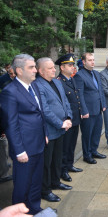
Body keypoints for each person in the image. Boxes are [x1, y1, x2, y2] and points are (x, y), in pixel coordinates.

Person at [0, 54, 47, 214]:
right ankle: (18, 213)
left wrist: (44, 134)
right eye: (31, 67)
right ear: (19, 70)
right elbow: (10, 124)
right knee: (22, 185)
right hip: (24, 149)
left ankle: (34, 208)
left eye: (35, 66)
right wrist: (19, 151)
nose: (35, 70)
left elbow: (40, 114)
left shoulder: (33, 86)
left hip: (38, 144)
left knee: (35, 182)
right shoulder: (10, 92)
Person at [35, 57, 73, 202]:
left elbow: (65, 102)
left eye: (53, 67)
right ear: (41, 71)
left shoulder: (57, 82)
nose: (54, 69)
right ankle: (45, 190)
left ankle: (55, 182)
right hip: (49, 130)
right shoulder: (37, 85)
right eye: (50, 68)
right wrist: (60, 123)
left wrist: (68, 117)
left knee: (57, 158)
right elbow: (44, 110)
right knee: (47, 162)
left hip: (61, 128)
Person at [74, 53, 107, 164]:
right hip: (88, 111)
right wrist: (84, 110)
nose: (93, 62)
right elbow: (80, 95)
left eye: (93, 60)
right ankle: (87, 155)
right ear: (84, 62)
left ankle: (94, 151)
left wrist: (103, 104)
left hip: (98, 109)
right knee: (87, 134)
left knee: (97, 132)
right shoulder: (79, 75)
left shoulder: (96, 74)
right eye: (90, 60)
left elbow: (100, 90)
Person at [55, 54, 83, 183]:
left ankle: (70, 164)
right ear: (62, 67)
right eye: (70, 65)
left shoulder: (72, 80)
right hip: (66, 120)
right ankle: (63, 170)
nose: (73, 67)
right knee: (65, 147)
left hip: (75, 118)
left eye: (73, 65)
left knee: (72, 144)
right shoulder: (59, 82)